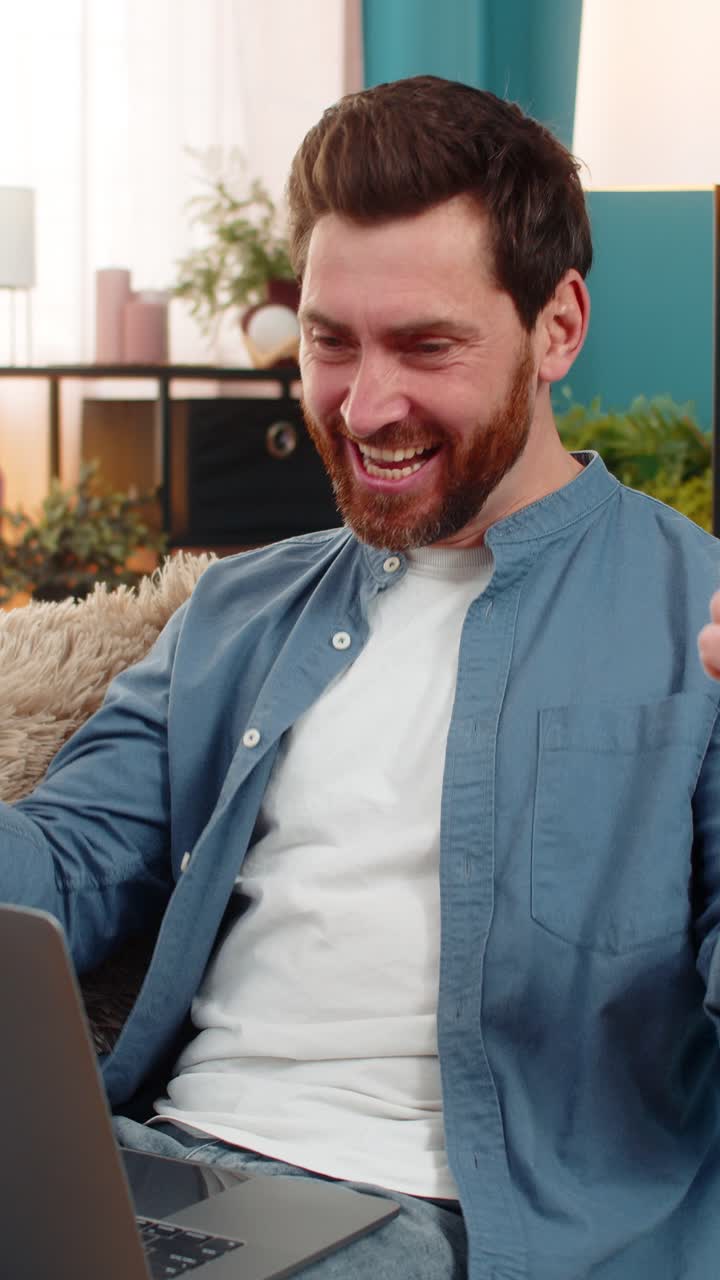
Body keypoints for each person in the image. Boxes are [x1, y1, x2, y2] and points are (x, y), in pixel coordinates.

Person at [3, 74, 720, 1280]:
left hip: (456, 1220)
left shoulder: (691, 614)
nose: (366, 404)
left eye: (427, 345)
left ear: (559, 326)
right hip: (163, 1168)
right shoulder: (238, 607)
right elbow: (66, 861)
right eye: (333, 343)